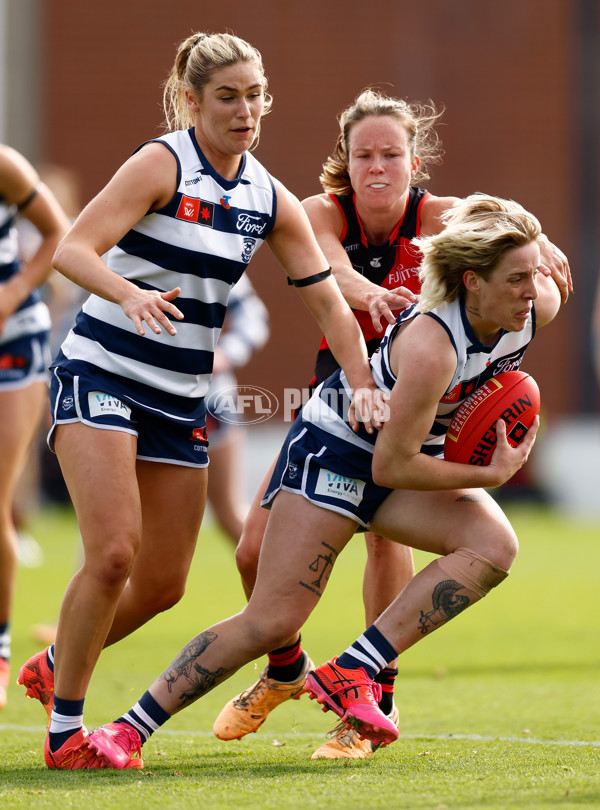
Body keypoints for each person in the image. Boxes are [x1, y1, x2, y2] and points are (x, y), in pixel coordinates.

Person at [73, 192, 564, 769]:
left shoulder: (537, 306)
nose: (531, 291)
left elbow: (401, 462)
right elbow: (391, 466)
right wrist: (490, 473)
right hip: (337, 453)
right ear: (472, 282)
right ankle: (127, 730)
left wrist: (532, 235)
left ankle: (354, 667)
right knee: (271, 619)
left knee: (494, 546)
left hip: (396, 459)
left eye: (534, 274)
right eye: (516, 279)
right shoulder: (432, 346)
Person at [17, 32, 381, 771]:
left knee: (162, 584)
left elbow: (326, 304)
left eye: (255, 96)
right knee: (115, 550)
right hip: (102, 372)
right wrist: (130, 294)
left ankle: (57, 660)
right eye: (227, 97)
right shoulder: (161, 163)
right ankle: (65, 735)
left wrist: (366, 382)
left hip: (182, 400)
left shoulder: (265, 196)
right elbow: (73, 249)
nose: (246, 110)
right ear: (191, 100)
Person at [212, 90, 573, 760]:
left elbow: (505, 236)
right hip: (340, 399)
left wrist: (539, 244)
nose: (377, 166)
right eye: (363, 154)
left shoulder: (444, 218)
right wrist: (373, 294)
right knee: (252, 551)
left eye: (391, 154)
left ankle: (370, 700)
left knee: (382, 540)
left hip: (421, 410)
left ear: (415, 161)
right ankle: (287, 669)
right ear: (345, 162)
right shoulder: (322, 212)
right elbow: (329, 271)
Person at [0, 145, 71, 709]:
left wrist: (11, 294)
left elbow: (58, 237)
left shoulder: (6, 165)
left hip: (13, 344)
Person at [205, 274, 270, 545]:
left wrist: (226, 354)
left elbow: (253, 318)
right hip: (133, 390)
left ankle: (280, 581)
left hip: (207, 399)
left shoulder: (222, 246)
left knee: (229, 514)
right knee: (121, 520)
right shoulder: (113, 245)